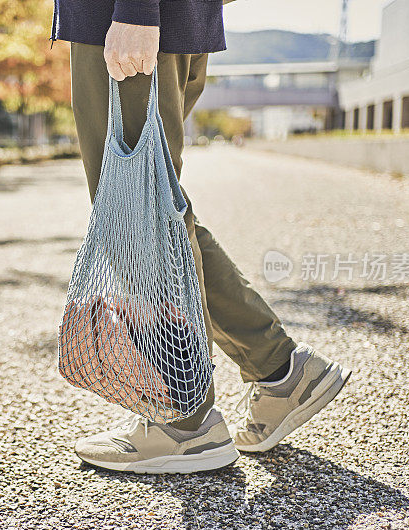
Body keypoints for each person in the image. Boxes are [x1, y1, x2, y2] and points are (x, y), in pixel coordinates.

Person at [53, 0, 352, 474]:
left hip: (124, 19)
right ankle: (280, 371)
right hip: (165, 21)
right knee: (156, 213)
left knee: (138, 216)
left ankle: (184, 423)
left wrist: (136, 12)